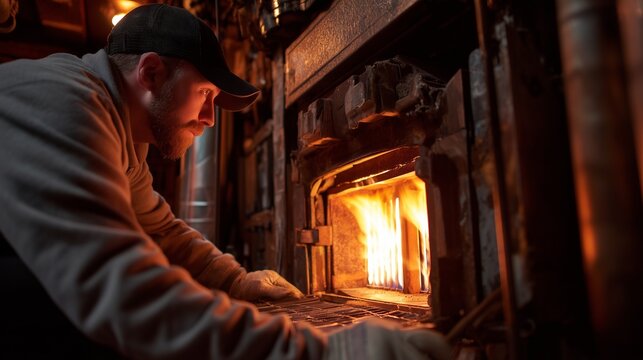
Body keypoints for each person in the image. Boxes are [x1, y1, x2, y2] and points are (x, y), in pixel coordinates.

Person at [0, 4, 450, 359]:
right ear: (151, 73)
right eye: (206, 95)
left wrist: (235, 281)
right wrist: (326, 354)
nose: (210, 119)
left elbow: (162, 229)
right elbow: (116, 288)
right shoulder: (64, 102)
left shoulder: (120, 131)